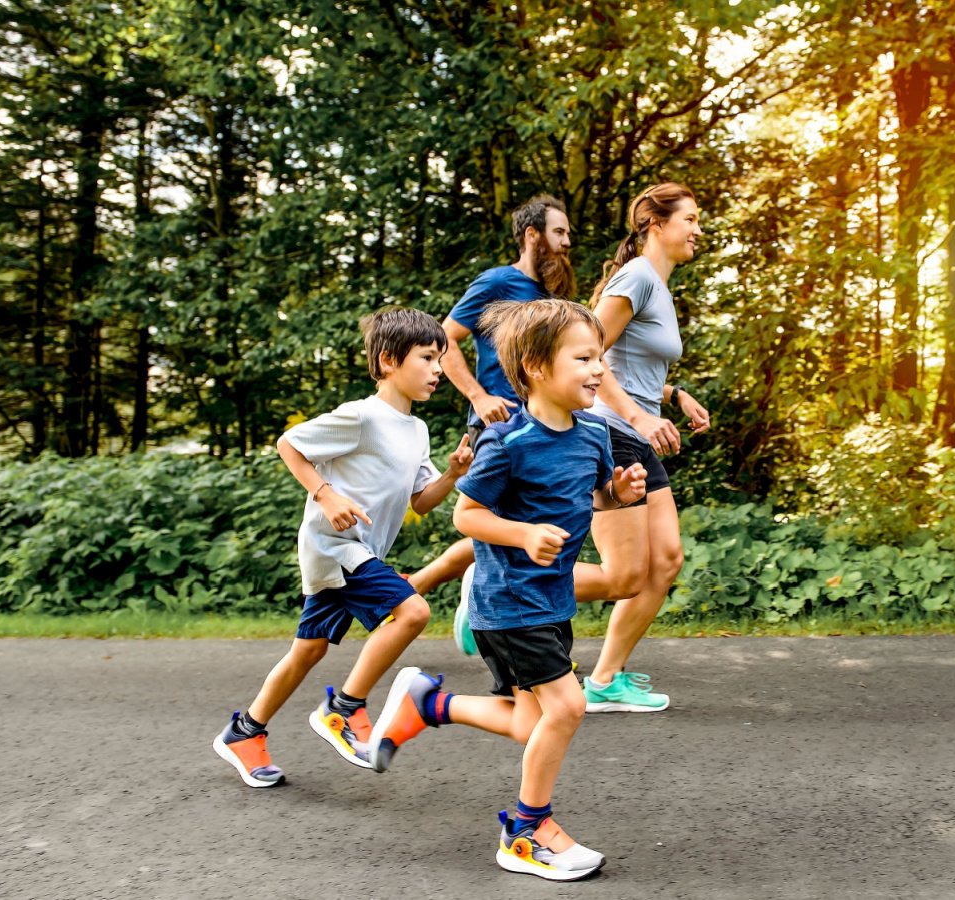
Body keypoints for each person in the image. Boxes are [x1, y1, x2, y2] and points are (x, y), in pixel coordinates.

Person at [359, 300, 647, 880]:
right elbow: (467, 515)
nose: (598, 370)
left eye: (600, 358)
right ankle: (526, 830)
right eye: (584, 358)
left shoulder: (592, 434)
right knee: (567, 706)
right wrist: (521, 534)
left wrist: (618, 493)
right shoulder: (508, 441)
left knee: (527, 722)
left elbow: (592, 499)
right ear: (538, 366)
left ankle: (428, 703)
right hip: (510, 602)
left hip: (552, 600)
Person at [210, 307, 474, 788]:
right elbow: (289, 443)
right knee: (413, 612)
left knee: (306, 652)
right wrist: (325, 494)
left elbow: (421, 501)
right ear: (391, 360)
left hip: (355, 550)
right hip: (334, 546)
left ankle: (244, 732)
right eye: (428, 358)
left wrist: (453, 474)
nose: (438, 369)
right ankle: (344, 708)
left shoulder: (416, 430)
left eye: (440, 359)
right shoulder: (362, 417)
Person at [409, 195, 638, 624]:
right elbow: (445, 336)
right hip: (503, 425)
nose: (567, 241)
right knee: (494, 522)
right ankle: (476, 606)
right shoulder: (497, 282)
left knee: (538, 522)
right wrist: (478, 396)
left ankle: (516, 629)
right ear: (532, 236)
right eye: (559, 232)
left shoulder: (549, 299)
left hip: (549, 425)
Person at [580, 183, 712, 714]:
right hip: (611, 432)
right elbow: (587, 355)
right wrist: (637, 414)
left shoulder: (656, 284)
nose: (699, 229)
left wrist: (672, 394)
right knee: (624, 573)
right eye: (691, 219)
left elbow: (631, 368)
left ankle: (605, 680)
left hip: (635, 431)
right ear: (657, 225)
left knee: (666, 562)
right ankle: (493, 592)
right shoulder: (636, 276)